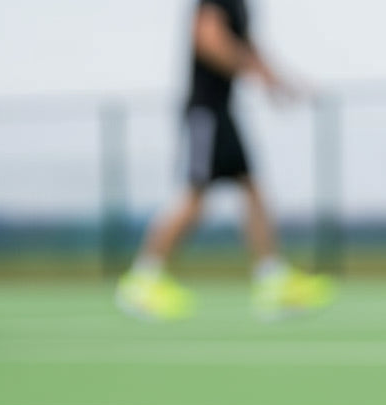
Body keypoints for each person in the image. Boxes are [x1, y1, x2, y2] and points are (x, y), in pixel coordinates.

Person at [116, 0, 334, 321]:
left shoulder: (240, 6)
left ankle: (271, 279)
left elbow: (250, 49)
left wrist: (281, 81)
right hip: (205, 113)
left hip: (222, 113)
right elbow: (208, 40)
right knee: (195, 198)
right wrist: (257, 73)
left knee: (252, 189)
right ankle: (142, 281)